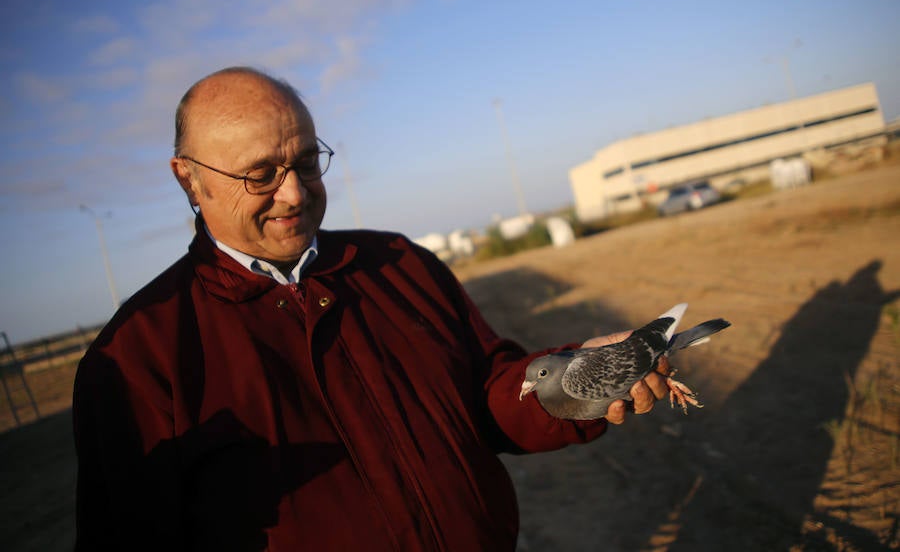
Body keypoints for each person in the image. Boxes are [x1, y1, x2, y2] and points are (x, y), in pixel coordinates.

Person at [72, 66, 672, 551]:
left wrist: (571, 382)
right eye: (260, 174)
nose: (295, 192)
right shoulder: (135, 358)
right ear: (188, 181)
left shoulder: (398, 263)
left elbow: (489, 396)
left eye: (306, 161)